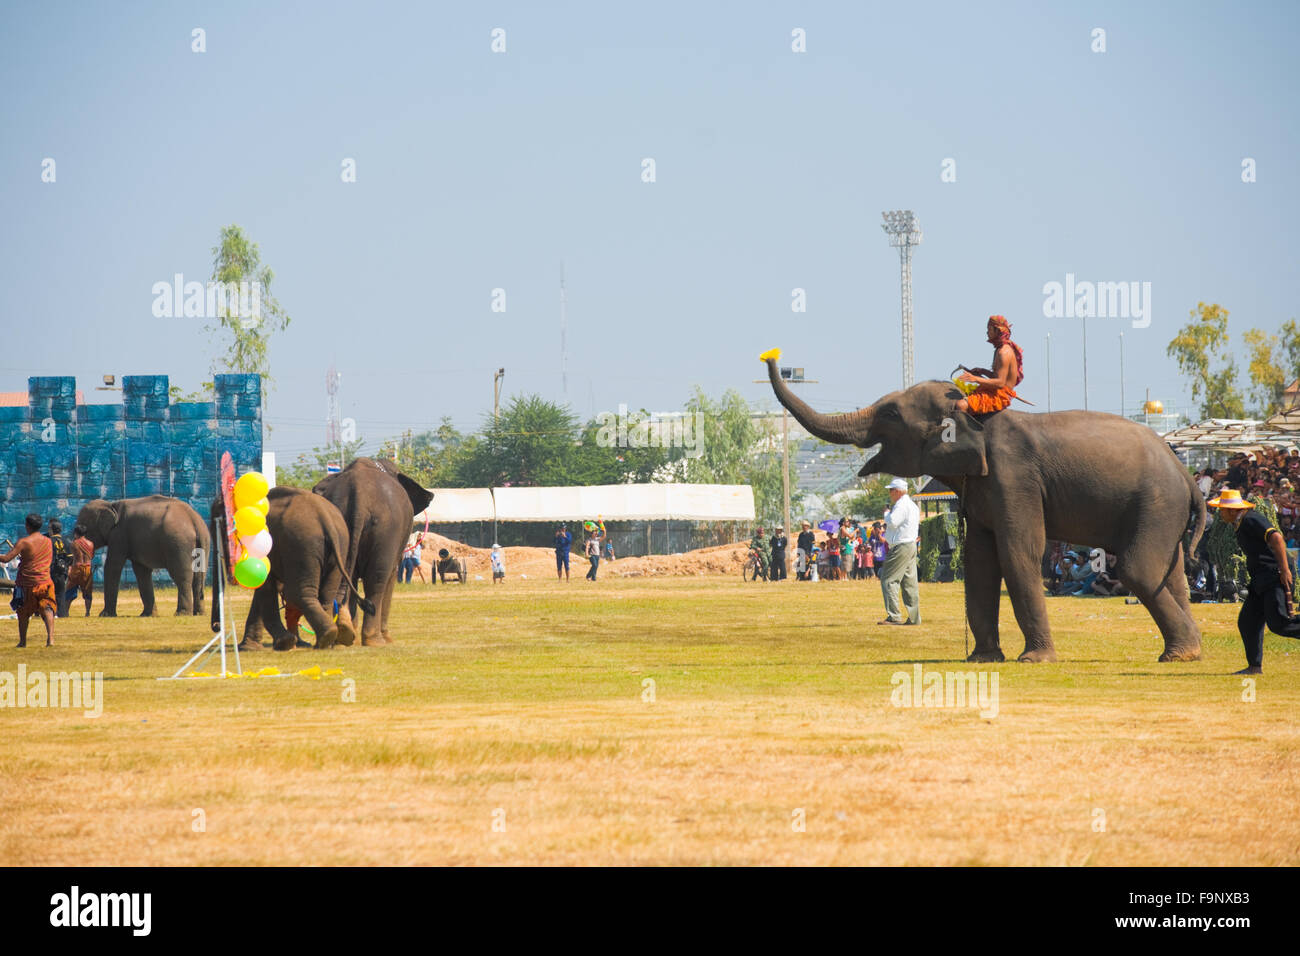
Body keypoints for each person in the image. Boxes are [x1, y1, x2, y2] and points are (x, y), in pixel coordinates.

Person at [1207, 487, 1300, 674]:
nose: (1220, 513)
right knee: (1248, 621)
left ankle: (1254, 666)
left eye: (1222, 509)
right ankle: (1254, 666)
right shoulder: (1240, 523)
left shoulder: (1251, 519)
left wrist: (1283, 569)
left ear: (1232, 510)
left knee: (1280, 623)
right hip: (1260, 579)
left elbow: (1277, 538)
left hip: (1273, 574)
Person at [1, 514, 57, 647]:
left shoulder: (23, 542)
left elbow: (6, 559)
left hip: (27, 584)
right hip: (45, 581)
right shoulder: (47, 541)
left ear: (28, 526)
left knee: (23, 613)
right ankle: (50, 639)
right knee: (48, 608)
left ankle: (23, 641)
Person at [955, 314, 1024, 416]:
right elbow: (997, 377)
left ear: (997, 330)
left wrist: (975, 378)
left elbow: (1000, 383)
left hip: (1000, 395)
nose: (987, 332)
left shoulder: (1003, 352)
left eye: (989, 329)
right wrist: (982, 371)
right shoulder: (999, 349)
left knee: (961, 405)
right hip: (995, 390)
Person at [878, 478, 921, 625]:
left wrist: (886, 514)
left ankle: (894, 615)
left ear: (897, 491)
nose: (890, 493)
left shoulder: (901, 505)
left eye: (891, 490)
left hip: (900, 546)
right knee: (910, 583)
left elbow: (893, 522)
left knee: (888, 580)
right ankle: (914, 618)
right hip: (910, 544)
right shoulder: (913, 506)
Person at [64, 524, 95, 616]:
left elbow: (73, 557)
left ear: (76, 533)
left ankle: (66, 612)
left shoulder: (74, 543)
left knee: (70, 590)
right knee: (88, 591)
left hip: (77, 568)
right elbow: (92, 556)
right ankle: (87, 612)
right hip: (88, 568)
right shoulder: (91, 544)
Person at [46, 519, 73, 617]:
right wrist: (65, 566)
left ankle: (50, 612)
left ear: (52, 530)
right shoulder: (66, 541)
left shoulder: (49, 541)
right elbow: (70, 557)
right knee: (61, 593)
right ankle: (62, 614)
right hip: (62, 571)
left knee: (49, 593)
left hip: (51, 570)